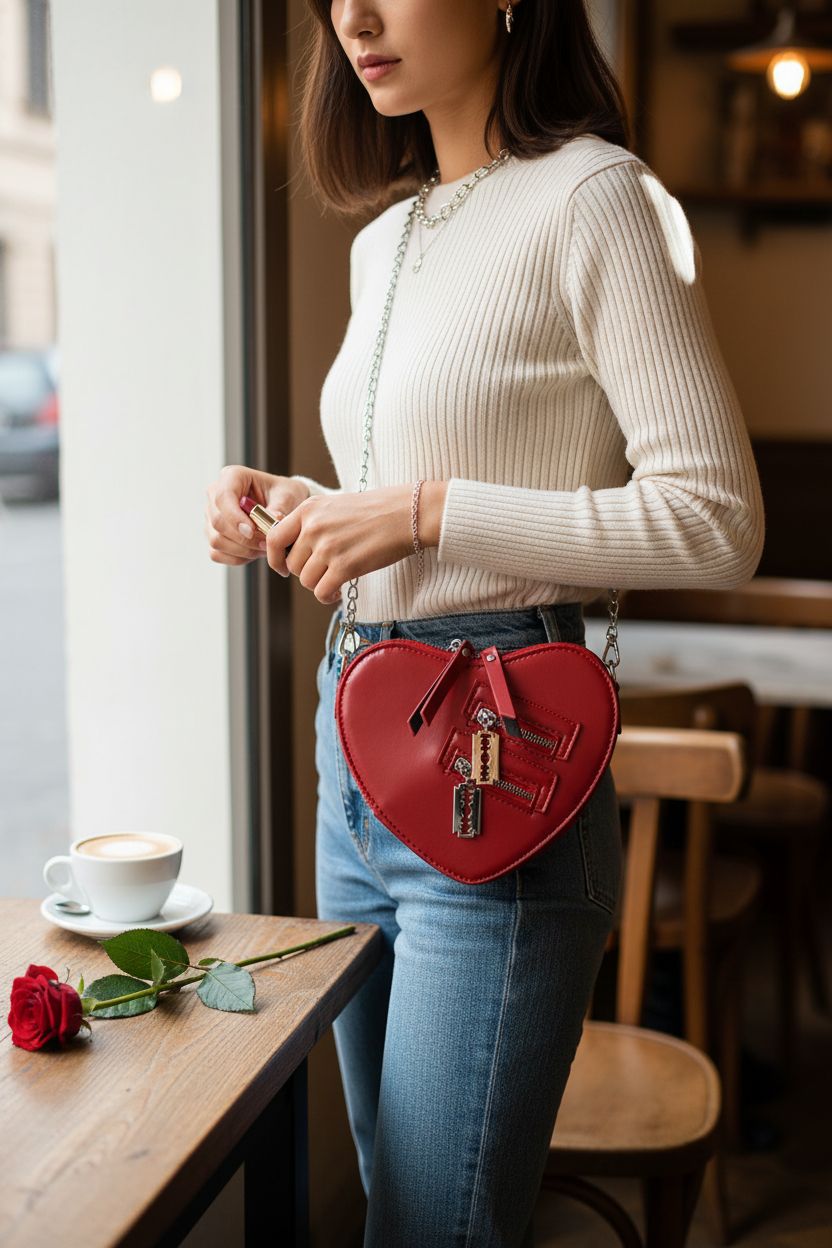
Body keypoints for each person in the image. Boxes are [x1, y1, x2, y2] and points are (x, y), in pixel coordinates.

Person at [204, 2, 766, 1243]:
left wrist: (420, 513)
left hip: (497, 756)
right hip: (354, 743)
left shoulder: (594, 197)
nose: (352, 17)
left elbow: (716, 520)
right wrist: (302, 510)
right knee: (394, 1195)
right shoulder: (387, 235)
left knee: (434, 1225)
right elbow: (415, 496)